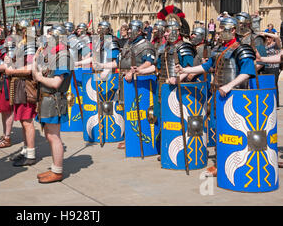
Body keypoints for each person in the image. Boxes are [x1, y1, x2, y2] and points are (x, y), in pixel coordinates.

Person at [175, 17, 257, 176]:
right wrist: (185, 71)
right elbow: (207, 66)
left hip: (236, 96)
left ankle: (235, 164)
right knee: (217, 128)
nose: (219, 32)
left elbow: (247, 71)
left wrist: (230, 85)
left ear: (233, 30)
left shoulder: (241, 48)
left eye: (223, 29)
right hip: (219, 94)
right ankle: (220, 162)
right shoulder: (219, 49)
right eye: (219, 29)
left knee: (234, 132)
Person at [32, 25, 71, 183]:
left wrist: (40, 78)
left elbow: (56, 82)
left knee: (54, 136)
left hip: (54, 100)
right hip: (45, 99)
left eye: (50, 37)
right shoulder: (52, 54)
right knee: (49, 135)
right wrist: (38, 53)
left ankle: (57, 171)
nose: (47, 39)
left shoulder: (63, 56)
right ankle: (55, 167)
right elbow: (36, 66)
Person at [118, 20, 156, 149]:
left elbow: (149, 63)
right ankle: (128, 136)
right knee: (126, 108)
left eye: (131, 29)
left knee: (136, 110)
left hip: (138, 82)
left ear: (139, 30)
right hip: (125, 79)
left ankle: (134, 138)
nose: (129, 31)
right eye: (128, 29)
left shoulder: (146, 45)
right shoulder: (129, 43)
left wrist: (134, 71)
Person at [5, 20, 38, 167]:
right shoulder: (21, 44)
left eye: (19, 30)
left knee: (27, 121)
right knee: (22, 121)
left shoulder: (30, 44)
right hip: (18, 84)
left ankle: (30, 154)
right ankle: (25, 150)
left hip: (26, 85)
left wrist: (12, 71)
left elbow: (30, 68)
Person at [260, 31, 281, 107]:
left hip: (274, 68)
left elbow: (277, 37)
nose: (268, 38)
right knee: (265, 85)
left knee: (274, 85)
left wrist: (265, 33)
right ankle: (267, 102)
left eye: (269, 37)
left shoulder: (276, 45)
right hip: (265, 68)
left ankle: (275, 103)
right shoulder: (264, 46)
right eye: (266, 37)